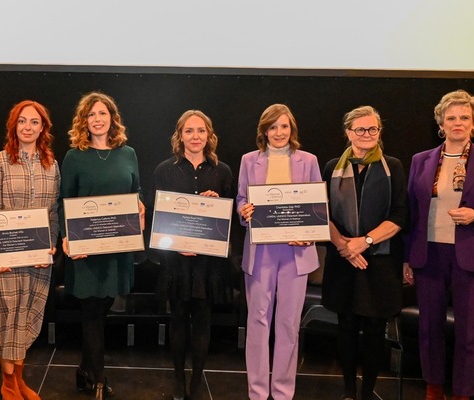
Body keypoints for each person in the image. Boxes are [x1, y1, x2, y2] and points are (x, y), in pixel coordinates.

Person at [405, 90, 474, 400]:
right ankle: (434, 388)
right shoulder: (420, 160)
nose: (458, 122)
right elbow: (412, 211)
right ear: (441, 122)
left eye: (465, 117)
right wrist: (408, 257)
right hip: (429, 255)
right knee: (429, 330)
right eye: (451, 117)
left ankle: (463, 394)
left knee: (469, 335)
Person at [59, 91, 145, 400]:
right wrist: (67, 237)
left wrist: (140, 208)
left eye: (103, 113)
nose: (97, 119)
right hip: (85, 250)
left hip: (117, 250)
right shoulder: (74, 156)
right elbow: (64, 201)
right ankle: (98, 378)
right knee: (92, 312)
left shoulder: (128, 153)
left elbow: (136, 192)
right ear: (84, 121)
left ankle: (84, 370)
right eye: (91, 114)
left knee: (102, 309)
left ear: (112, 119)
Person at [321, 106, 407, 400]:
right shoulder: (332, 166)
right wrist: (345, 246)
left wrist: (365, 242)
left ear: (379, 132)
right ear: (348, 133)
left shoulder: (392, 165)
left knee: (374, 328)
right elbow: (322, 213)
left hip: (380, 262)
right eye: (360, 129)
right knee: (345, 326)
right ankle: (348, 391)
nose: (367, 134)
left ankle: (368, 391)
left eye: (372, 129)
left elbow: (399, 214)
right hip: (343, 259)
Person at [237, 104, 320, 400]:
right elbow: (242, 198)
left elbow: (315, 206)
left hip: (295, 254)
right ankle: (258, 392)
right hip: (260, 252)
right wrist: (243, 210)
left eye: (284, 126)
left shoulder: (308, 160)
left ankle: (283, 392)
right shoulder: (249, 160)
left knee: (288, 324)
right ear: (264, 131)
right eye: (273, 127)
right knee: (257, 322)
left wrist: (308, 234)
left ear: (292, 129)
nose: (279, 132)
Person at [0, 100, 60, 400]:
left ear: (43, 128)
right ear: (14, 126)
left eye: (34, 122)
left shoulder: (51, 165)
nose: (28, 127)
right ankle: (8, 383)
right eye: (22, 122)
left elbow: (52, 212)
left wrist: (49, 247)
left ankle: (19, 379)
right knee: (8, 318)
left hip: (38, 259)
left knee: (28, 317)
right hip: (5, 259)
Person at [153, 110, 233, 400]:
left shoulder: (222, 170)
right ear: (180, 135)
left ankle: (197, 383)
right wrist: (175, 245)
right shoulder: (164, 169)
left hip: (208, 262)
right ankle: (178, 382)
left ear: (209, 136)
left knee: (202, 320)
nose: (195, 136)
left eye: (201, 131)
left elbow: (227, 220)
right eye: (189, 131)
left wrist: (219, 203)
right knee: (177, 319)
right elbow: (159, 217)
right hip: (177, 260)